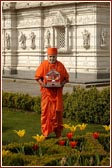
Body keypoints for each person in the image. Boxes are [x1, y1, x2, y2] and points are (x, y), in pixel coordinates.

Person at [35, 47, 69, 138]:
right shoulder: (44, 65)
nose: (52, 59)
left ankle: (58, 133)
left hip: (57, 94)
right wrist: (43, 85)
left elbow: (66, 79)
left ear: (56, 56)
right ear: (47, 56)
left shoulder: (60, 65)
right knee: (45, 113)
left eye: (53, 57)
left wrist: (62, 84)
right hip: (47, 94)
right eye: (50, 57)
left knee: (58, 114)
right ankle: (45, 133)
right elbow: (38, 78)